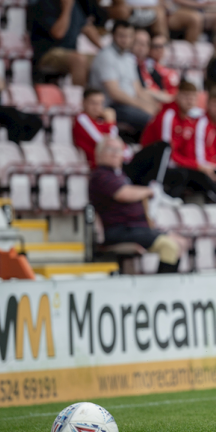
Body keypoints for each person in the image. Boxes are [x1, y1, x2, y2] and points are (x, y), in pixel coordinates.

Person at [90, 136, 186, 273]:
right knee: (169, 246)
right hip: (120, 230)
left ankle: (167, 285)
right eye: (110, 149)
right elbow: (123, 194)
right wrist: (148, 191)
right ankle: (162, 290)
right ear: (99, 153)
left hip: (135, 229)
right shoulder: (101, 175)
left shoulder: (120, 175)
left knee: (180, 242)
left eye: (118, 150)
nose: (115, 153)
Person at [89, 20, 157, 135]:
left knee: (161, 117)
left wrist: (154, 106)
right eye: (121, 36)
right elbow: (115, 93)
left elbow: (138, 90)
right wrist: (142, 105)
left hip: (130, 105)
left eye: (129, 36)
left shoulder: (129, 58)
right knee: (152, 121)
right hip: (113, 107)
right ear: (113, 35)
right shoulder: (106, 56)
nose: (125, 40)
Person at [30, 0, 99, 86]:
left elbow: (86, 28)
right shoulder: (44, 3)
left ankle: (95, 98)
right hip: (48, 53)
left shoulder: (74, 3)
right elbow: (58, 33)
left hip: (70, 52)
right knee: (79, 59)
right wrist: (66, 8)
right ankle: (79, 98)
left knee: (102, 60)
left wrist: (104, 49)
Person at [72, 88, 129, 168]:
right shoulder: (82, 118)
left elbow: (115, 143)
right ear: (83, 103)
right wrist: (111, 123)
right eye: (93, 103)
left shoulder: (100, 121)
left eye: (100, 103)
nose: (97, 107)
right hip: (98, 166)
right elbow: (105, 144)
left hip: (111, 163)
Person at [132, 29, 174, 104]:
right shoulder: (130, 64)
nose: (142, 47)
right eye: (139, 43)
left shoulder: (149, 64)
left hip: (158, 100)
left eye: (145, 44)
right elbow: (140, 89)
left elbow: (161, 87)